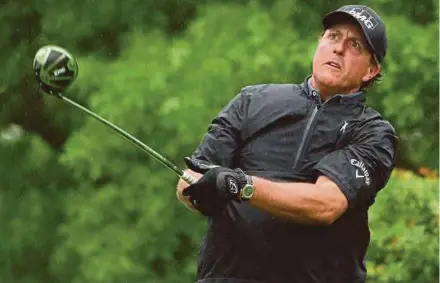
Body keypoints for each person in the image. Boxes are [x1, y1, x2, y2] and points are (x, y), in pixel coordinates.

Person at [176, 4, 397, 283]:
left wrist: (239, 185)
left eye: (354, 45)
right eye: (333, 37)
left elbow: (325, 205)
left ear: (371, 70)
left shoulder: (373, 133)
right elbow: (188, 181)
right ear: (319, 43)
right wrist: (198, 192)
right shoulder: (252, 100)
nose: (338, 49)